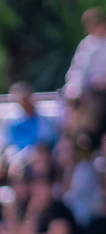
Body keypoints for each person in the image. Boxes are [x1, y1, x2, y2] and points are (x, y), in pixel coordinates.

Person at [65, 8, 106, 152]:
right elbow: (78, 71)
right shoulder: (87, 45)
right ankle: (82, 138)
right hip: (92, 90)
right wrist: (74, 89)